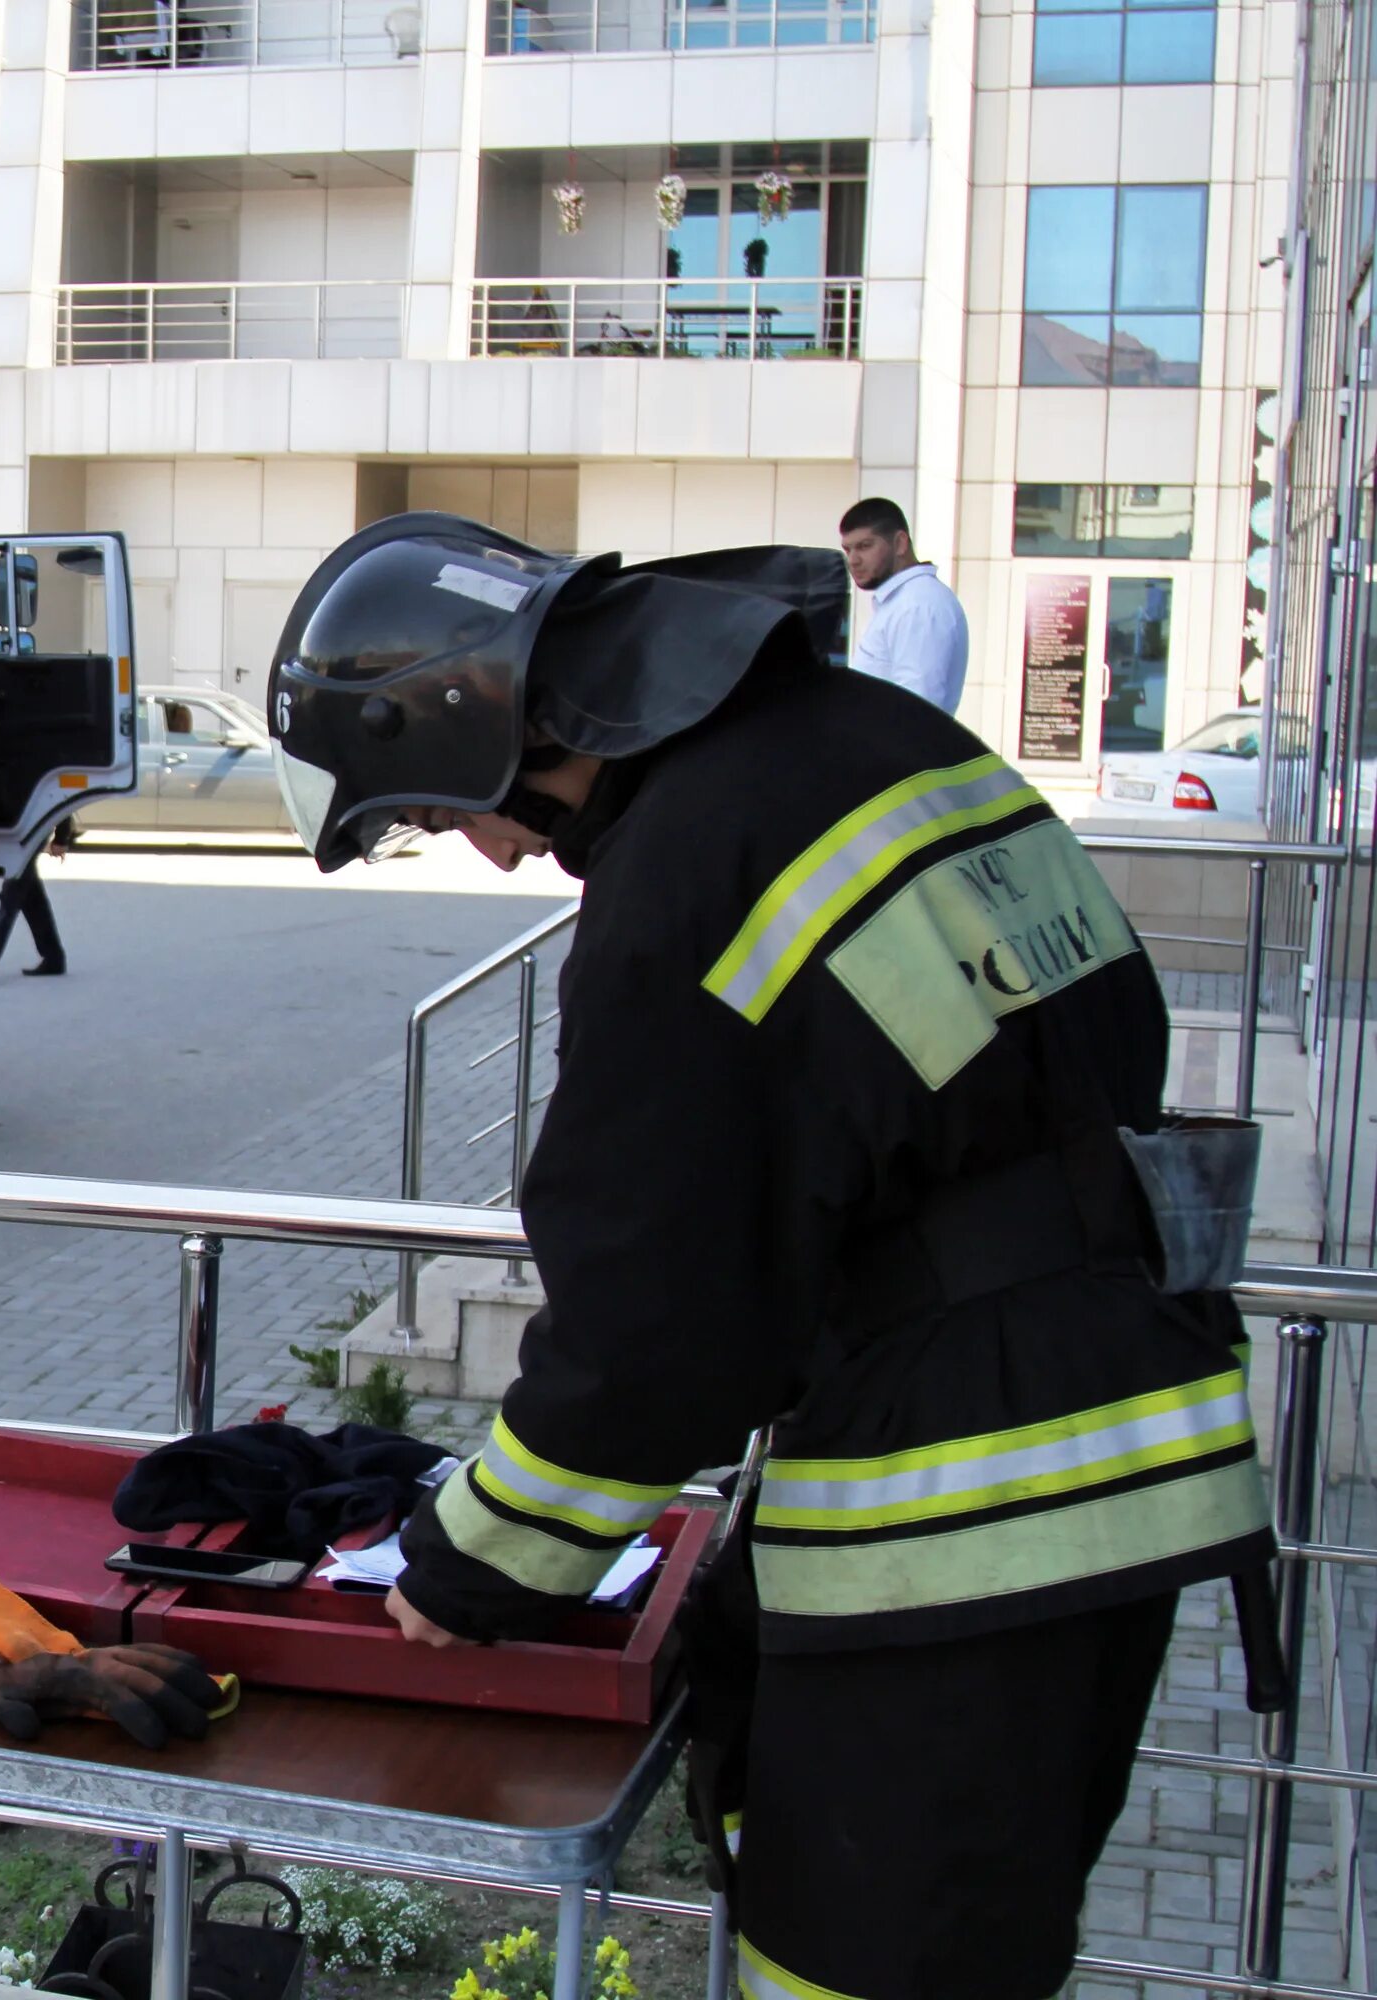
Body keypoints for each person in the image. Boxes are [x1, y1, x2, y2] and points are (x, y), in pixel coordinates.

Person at [268, 514, 1275, 2000]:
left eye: (436, 813)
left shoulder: (687, 876)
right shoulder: (876, 743)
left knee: (856, 1969)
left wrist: (475, 1564)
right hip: (1127, 1449)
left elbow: (656, 1321)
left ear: (481, 725)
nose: (487, 855)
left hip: (968, 1522)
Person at [839, 495, 969, 713]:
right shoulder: (908, 601)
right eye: (848, 550)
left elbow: (917, 709)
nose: (853, 560)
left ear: (900, 543)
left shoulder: (917, 605)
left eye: (864, 546)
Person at [0, 818, 72, 981]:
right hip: (20, 829)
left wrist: (61, 837)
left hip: (34, 828)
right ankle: (53, 957)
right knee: (32, 897)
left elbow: (59, 796)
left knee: (11, 897)